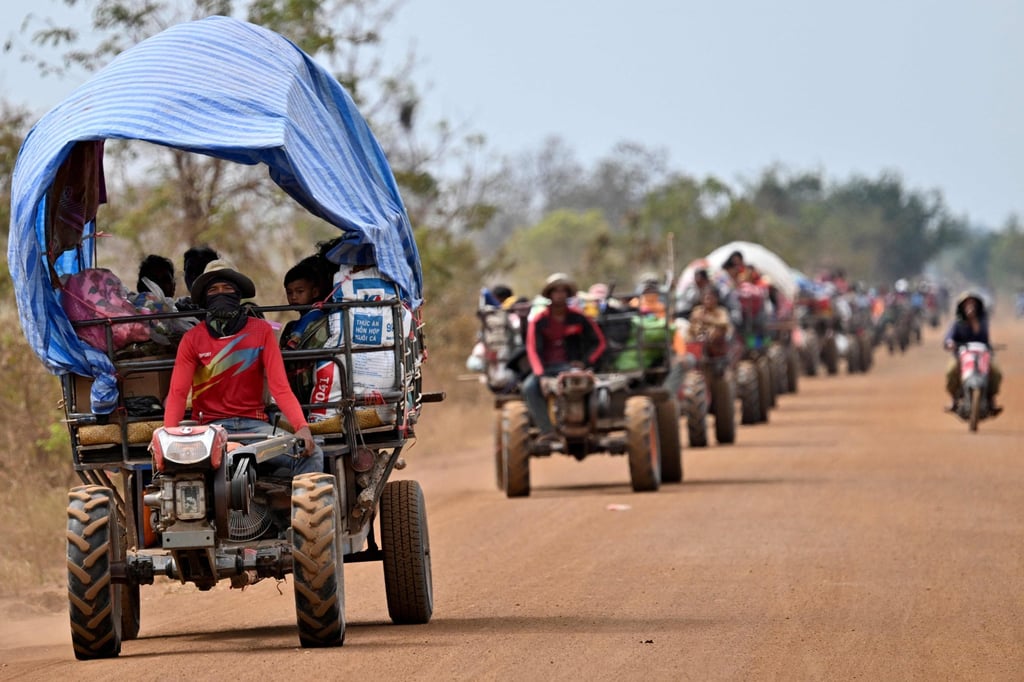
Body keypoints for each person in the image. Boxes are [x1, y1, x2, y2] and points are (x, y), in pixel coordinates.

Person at [163, 259, 322, 476]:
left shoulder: (262, 331)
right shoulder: (192, 339)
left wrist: (301, 428)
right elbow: (178, 393)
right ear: (205, 297)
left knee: (312, 454)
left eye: (228, 288)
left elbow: (280, 387)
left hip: (256, 427)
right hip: (212, 429)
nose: (221, 293)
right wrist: (167, 437)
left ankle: (289, 505)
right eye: (214, 289)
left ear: (238, 294)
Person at [523, 273, 607, 443]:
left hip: (571, 367)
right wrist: (541, 376)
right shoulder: (539, 321)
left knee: (594, 387)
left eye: (563, 291)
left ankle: (593, 425)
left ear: (568, 294)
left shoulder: (579, 317)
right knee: (529, 388)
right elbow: (532, 349)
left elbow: (599, 343)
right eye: (556, 291)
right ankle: (547, 430)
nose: (559, 295)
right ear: (549, 294)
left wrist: (585, 363)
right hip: (546, 368)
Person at [942, 291, 1002, 414]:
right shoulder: (957, 323)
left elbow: (983, 336)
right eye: (967, 305)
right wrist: (950, 343)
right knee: (951, 371)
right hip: (962, 356)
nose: (970, 307)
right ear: (962, 307)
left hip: (982, 355)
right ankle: (954, 400)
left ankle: (991, 400)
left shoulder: (982, 322)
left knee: (996, 372)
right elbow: (949, 337)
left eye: (972, 304)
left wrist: (974, 320)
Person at [177, 246, 221, 310]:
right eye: (190, 270)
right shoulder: (177, 309)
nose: (194, 276)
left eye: (200, 270)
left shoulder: (226, 307)